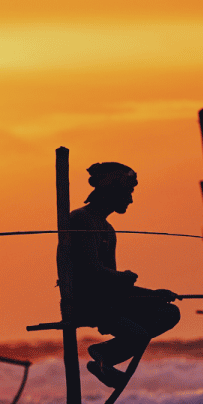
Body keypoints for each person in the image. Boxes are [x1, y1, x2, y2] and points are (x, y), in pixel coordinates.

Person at [67, 162, 180, 389]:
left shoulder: (108, 230)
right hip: (88, 301)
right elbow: (91, 272)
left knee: (169, 313)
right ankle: (103, 356)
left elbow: (115, 285)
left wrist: (152, 295)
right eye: (127, 193)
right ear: (111, 191)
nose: (130, 200)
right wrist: (121, 278)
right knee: (138, 336)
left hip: (109, 300)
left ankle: (104, 357)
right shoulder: (81, 220)